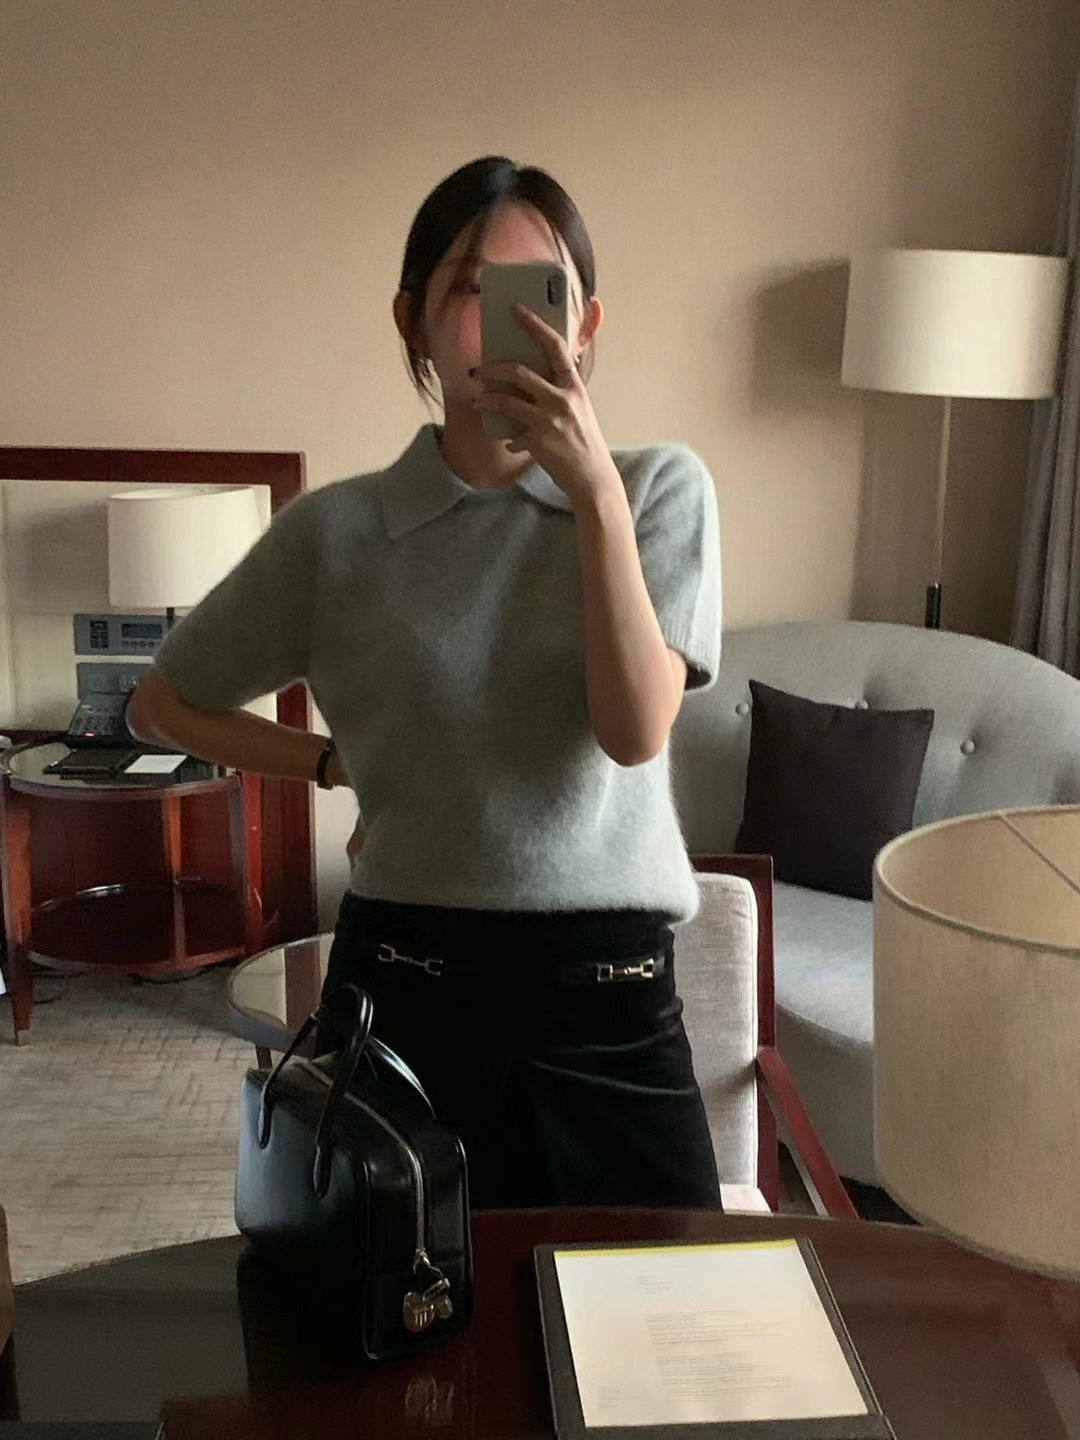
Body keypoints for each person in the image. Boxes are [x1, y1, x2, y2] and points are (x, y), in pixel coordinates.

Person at [129, 155, 723, 1211]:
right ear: (411, 320)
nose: (506, 324)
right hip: (407, 988)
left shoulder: (658, 490)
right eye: (468, 291)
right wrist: (334, 763)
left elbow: (634, 730)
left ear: (585, 325)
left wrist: (593, 491)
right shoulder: (337, 533)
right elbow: (163, 703)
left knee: (657, 1293)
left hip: (614, 1006)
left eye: (539, 292)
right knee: (401, 1300)